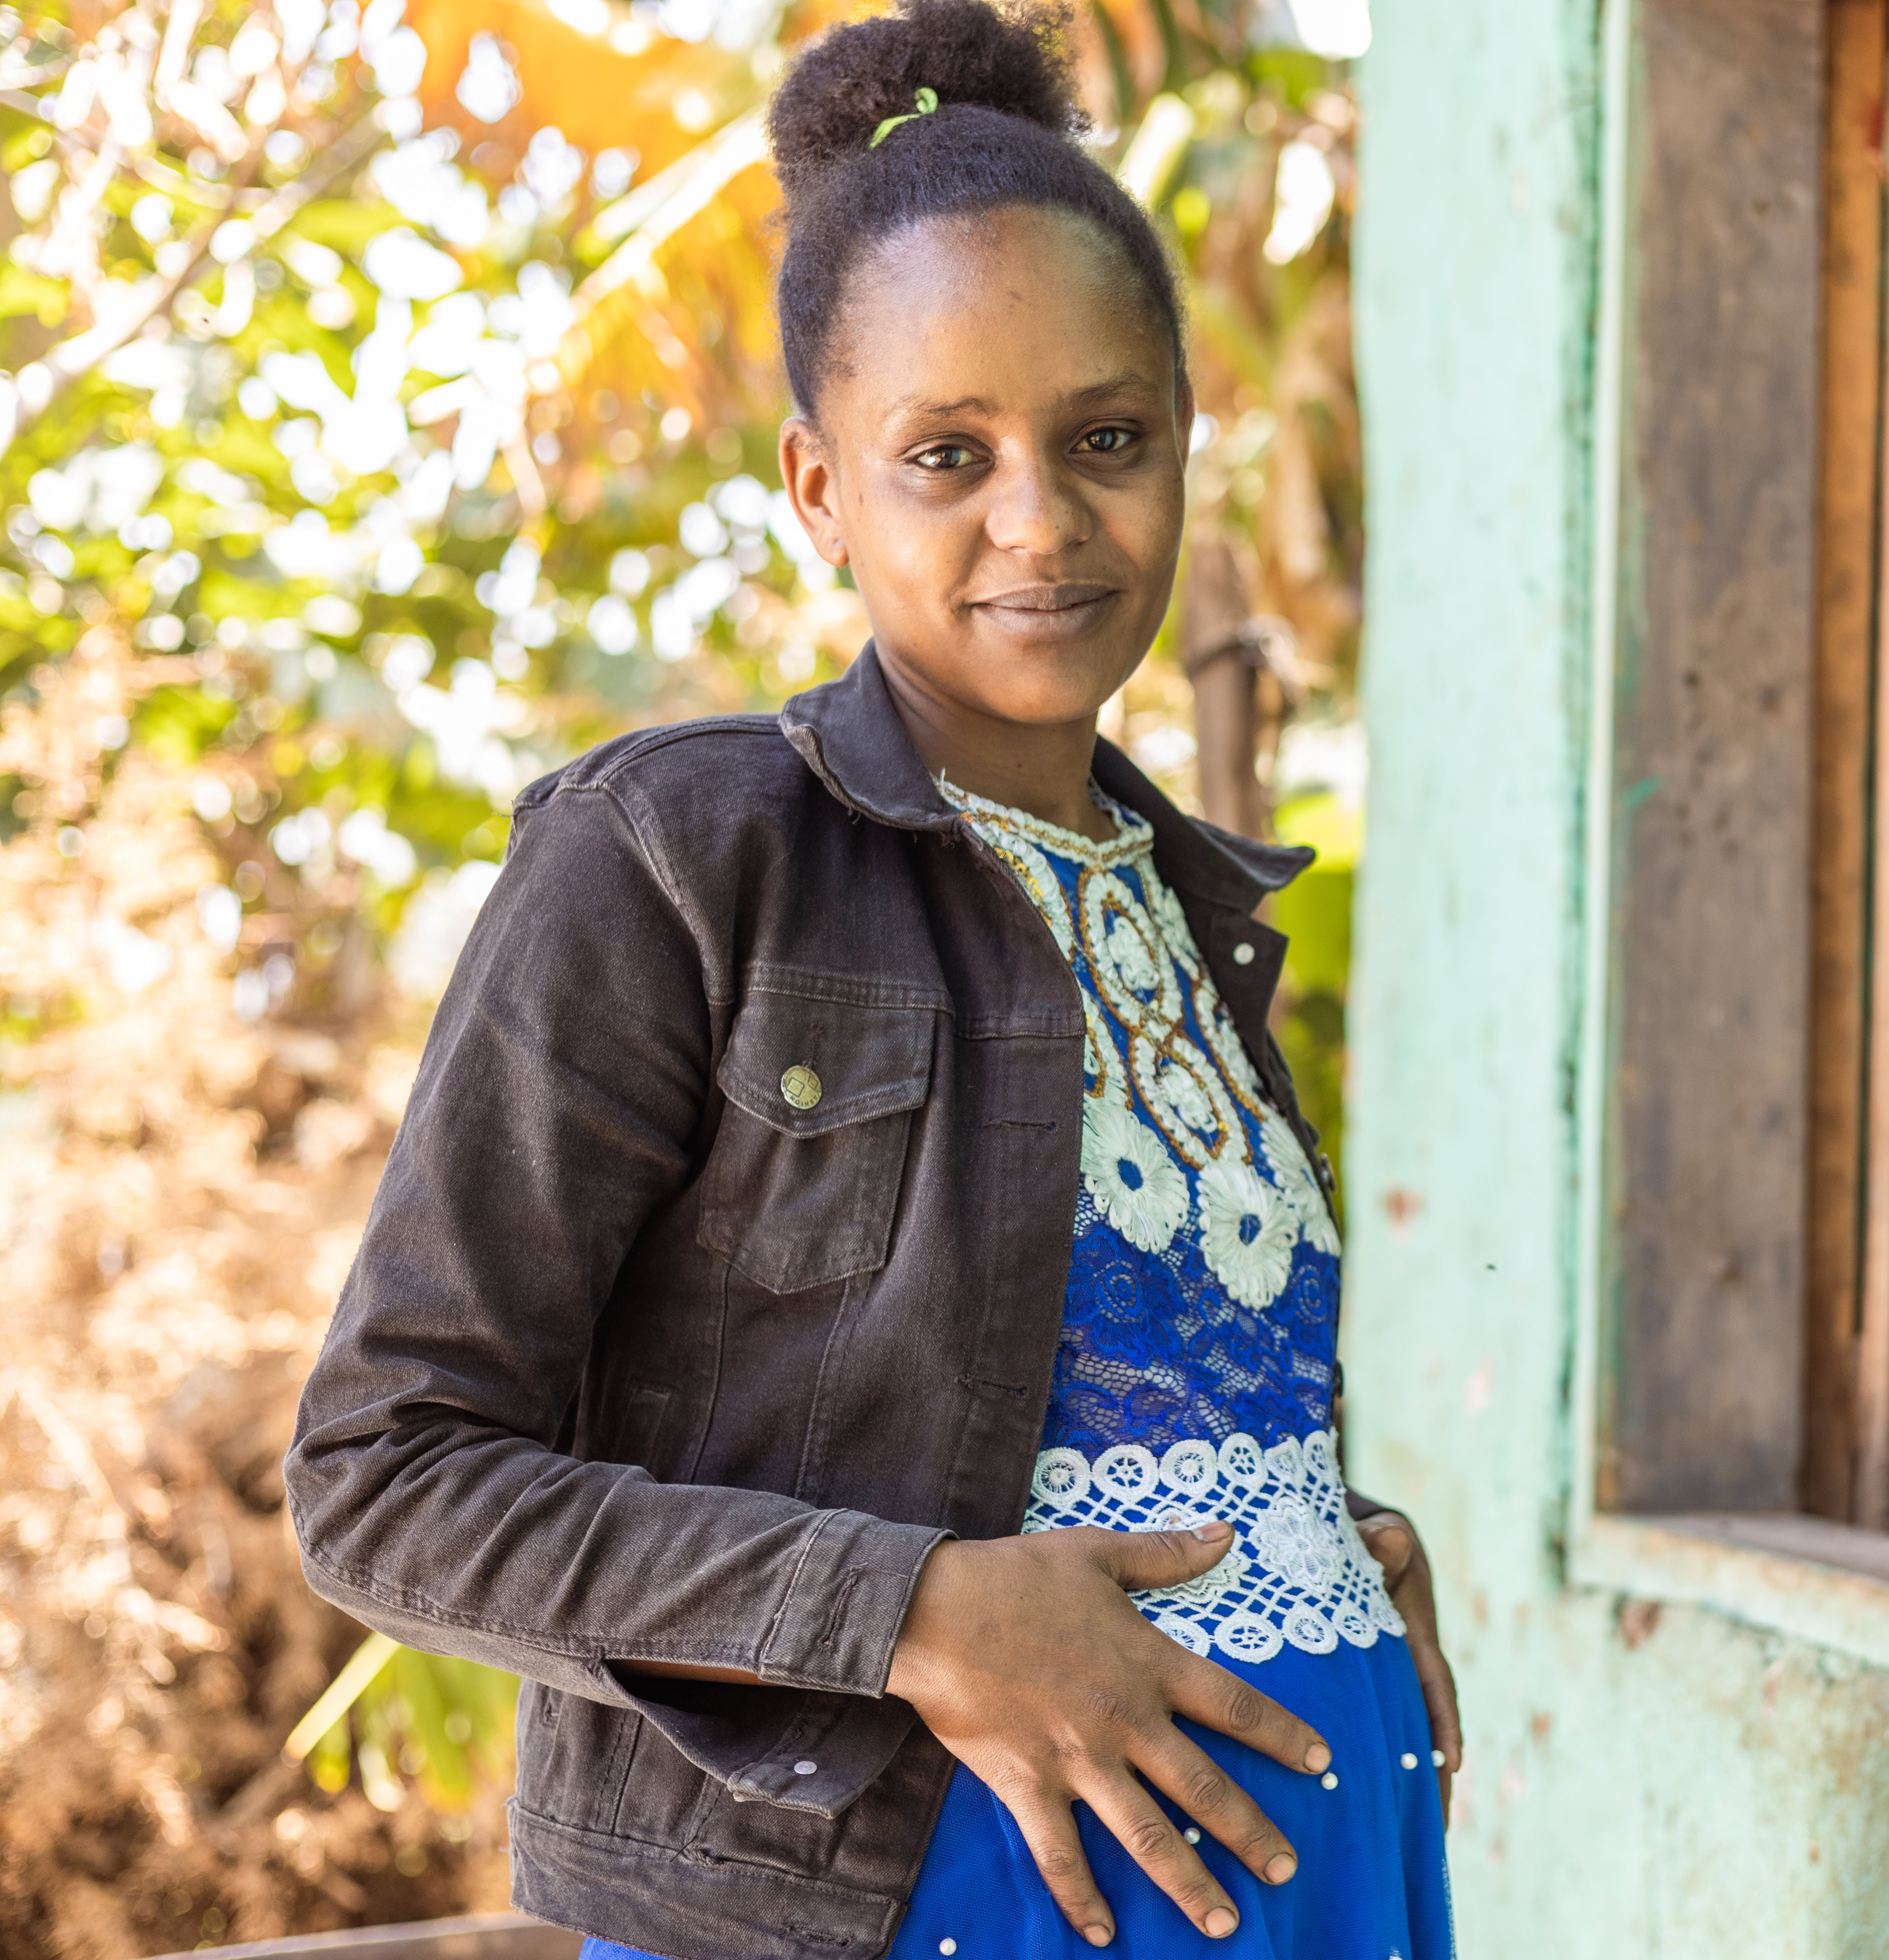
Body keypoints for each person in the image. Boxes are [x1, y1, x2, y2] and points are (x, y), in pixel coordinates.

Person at [282, 4, 1459, 1955]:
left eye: (1108, 438)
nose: (1043, 521)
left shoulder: (1194, 908)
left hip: (1313, 1870)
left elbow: (1093, 1398)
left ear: (1183, 436)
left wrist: (1324, 1543)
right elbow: (384, 1479)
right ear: (822, 491)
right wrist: (911, 1613)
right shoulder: (676, 852)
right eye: (947, 454)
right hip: (919, 1898)